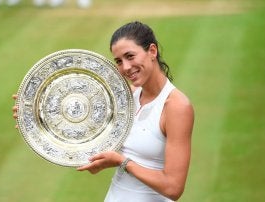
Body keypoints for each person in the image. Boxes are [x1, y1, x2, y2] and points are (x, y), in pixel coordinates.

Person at [13, 21, 194, 202]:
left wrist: (121, 162)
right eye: (118, 61)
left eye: (130, 56)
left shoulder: (177, 107)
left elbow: (173, 188)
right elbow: (83, 122)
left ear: (152, 51)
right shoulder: (127, 96)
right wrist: (33, 115)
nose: (125, 67)